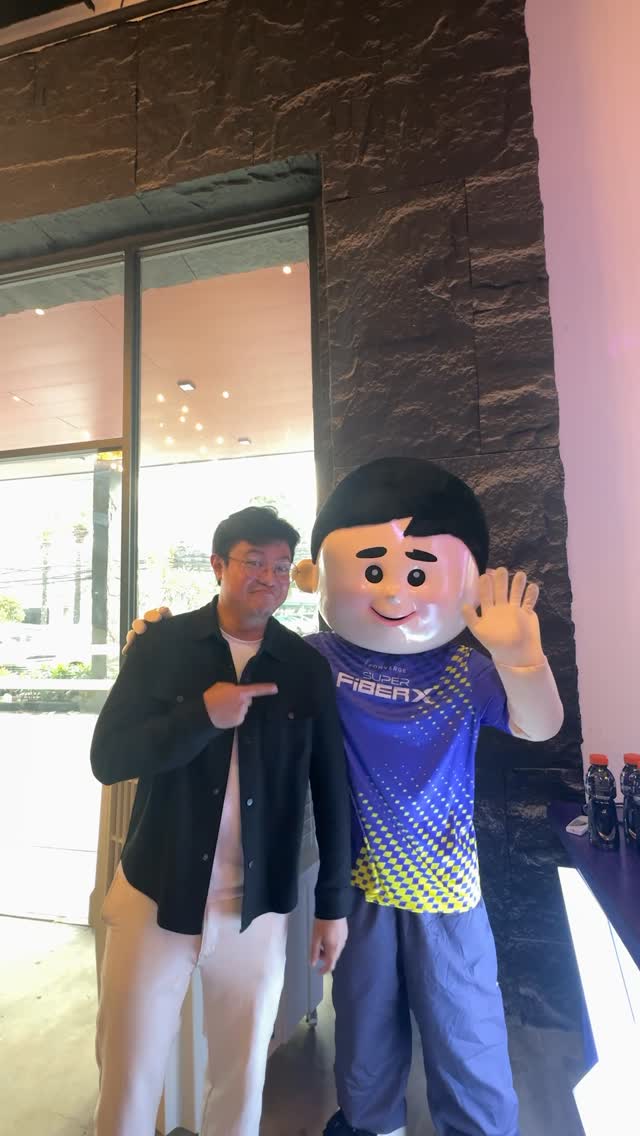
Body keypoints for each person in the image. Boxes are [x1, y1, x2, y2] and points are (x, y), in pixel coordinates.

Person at [130, 457, 564, 1136]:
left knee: (465, 1025)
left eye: (417, 574)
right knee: (362, 1021)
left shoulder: (466, 668)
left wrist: (521, 660)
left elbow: (540, 727)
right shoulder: (317, 659)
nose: (395, 591)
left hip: (447, 882)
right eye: (373, 570)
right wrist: (156, 645)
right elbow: (234, 665)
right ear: (318, 578)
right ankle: (370, 1124)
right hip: (357, 880)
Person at [90, 505, 352, 1136]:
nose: (270, 577)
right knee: (128, 1079)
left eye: (282, 567)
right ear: (217, 565)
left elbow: (331, 789)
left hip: (254, 911)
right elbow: (109, 758)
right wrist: (200, 718)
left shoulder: (304, 668)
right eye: (254, 561)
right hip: (155, 895)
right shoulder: (162, 647)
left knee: (243, 1081)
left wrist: (333, 906)